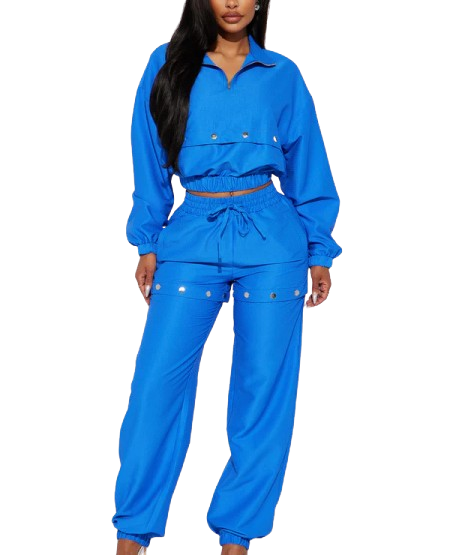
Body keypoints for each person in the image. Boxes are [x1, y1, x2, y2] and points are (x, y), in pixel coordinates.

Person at [112, 1, 343, 554]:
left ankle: (236, 541)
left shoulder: (282, 74)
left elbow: (309, 160)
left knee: (263, 393)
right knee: (155, 389)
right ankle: (131, 534)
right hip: (191, 233)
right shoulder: (167, 64)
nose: (233, 2)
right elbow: (147, 155)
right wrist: (147, 241)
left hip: (273, 240)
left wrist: (318, 249)